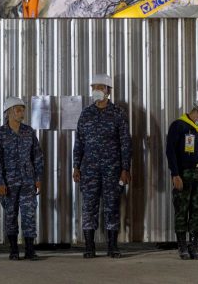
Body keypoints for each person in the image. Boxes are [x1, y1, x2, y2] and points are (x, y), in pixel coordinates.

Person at [73, 73, 131, 258]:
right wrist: (76, 166)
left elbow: (125, 143)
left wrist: (125, 169)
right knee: (89, 207)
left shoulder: (118, 113)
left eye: (99, 87)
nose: (95, 91)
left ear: (108, 90)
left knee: (112, 206)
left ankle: (112, 246)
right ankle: (89, 246)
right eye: (93, 87)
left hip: (112, 170)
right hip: (89, 169)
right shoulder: (86, 113)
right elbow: (79, 142)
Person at [0, 97, 44, 261]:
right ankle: (14, 250)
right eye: (18, 110)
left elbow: (37, 156)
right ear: (8, 112)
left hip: (28, 182)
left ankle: (29, 250)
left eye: (23, 109)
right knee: (10, 215)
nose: (22, 113)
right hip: (8, 183)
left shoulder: (29, 132)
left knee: (29, 215)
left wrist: (38, 178)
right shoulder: (0, 134)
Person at [166, 98, 198, 260]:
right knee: (182, 210)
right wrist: (175, 174)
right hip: (184, 175)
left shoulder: (197, 129)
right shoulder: (178, 125)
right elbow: (170, 151)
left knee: (197, 210)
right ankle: (182, 246)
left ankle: (193, 245)